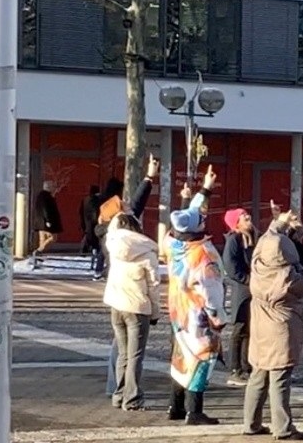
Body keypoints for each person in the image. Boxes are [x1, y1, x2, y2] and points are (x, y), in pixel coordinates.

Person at [243, 209, 303, 440]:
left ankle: (251, 423)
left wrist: (280, 222)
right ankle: (282, 427)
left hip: (260, 325)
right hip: (281, 328)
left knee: (258, 374)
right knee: (280, 377)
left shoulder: (258, 264)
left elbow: (268, 237)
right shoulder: (289, 276)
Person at [165, 166, 225, 425]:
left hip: (179, 311)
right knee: (202, 357)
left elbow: (188, 215)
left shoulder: (172, 245)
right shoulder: (202, 255)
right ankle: (194, 410)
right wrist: (218, 317)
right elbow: (211, 291)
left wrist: (204, 190)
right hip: (199, 314)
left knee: (181, 356)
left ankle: (175, 406)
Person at [102, 212, 160, 410]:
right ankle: (132, 398)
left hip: (115, 306)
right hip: (137, 308)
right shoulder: (147, 252)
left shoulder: (113, 245)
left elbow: (114, 222)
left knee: (123, 354)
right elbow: (153, 286)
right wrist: (155, 313)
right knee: (135, 355)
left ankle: (119, 395)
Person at [221, 208, 255, 388]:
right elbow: (231, 266)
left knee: (249, 330)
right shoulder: (234, 240)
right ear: (236, 223)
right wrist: (247, 279)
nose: (247, 216)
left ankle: (246, 366)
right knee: (239, 329)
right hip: (242, 291)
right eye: (243, 216)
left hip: (252, 291)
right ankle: (235, 369)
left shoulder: (251, 236)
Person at [32, 182, 62, 268]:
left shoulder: (41, 196)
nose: (54, 188)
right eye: (53, 186)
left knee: (43, 239)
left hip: (41, 222)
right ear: (49, 187)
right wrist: (48, 220)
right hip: (46, 222)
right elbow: (46, 209)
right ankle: (38, 251)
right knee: (52, 238)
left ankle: (38, 257)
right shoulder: (46, 197)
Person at [79, 185, 101, 263]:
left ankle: (84, 251)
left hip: (86, 220)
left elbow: (81, 211)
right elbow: (95, 211)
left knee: (88, 236)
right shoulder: (96, 200)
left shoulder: (85, 199)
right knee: (93, 238)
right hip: (93, 222)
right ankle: (88, 251)